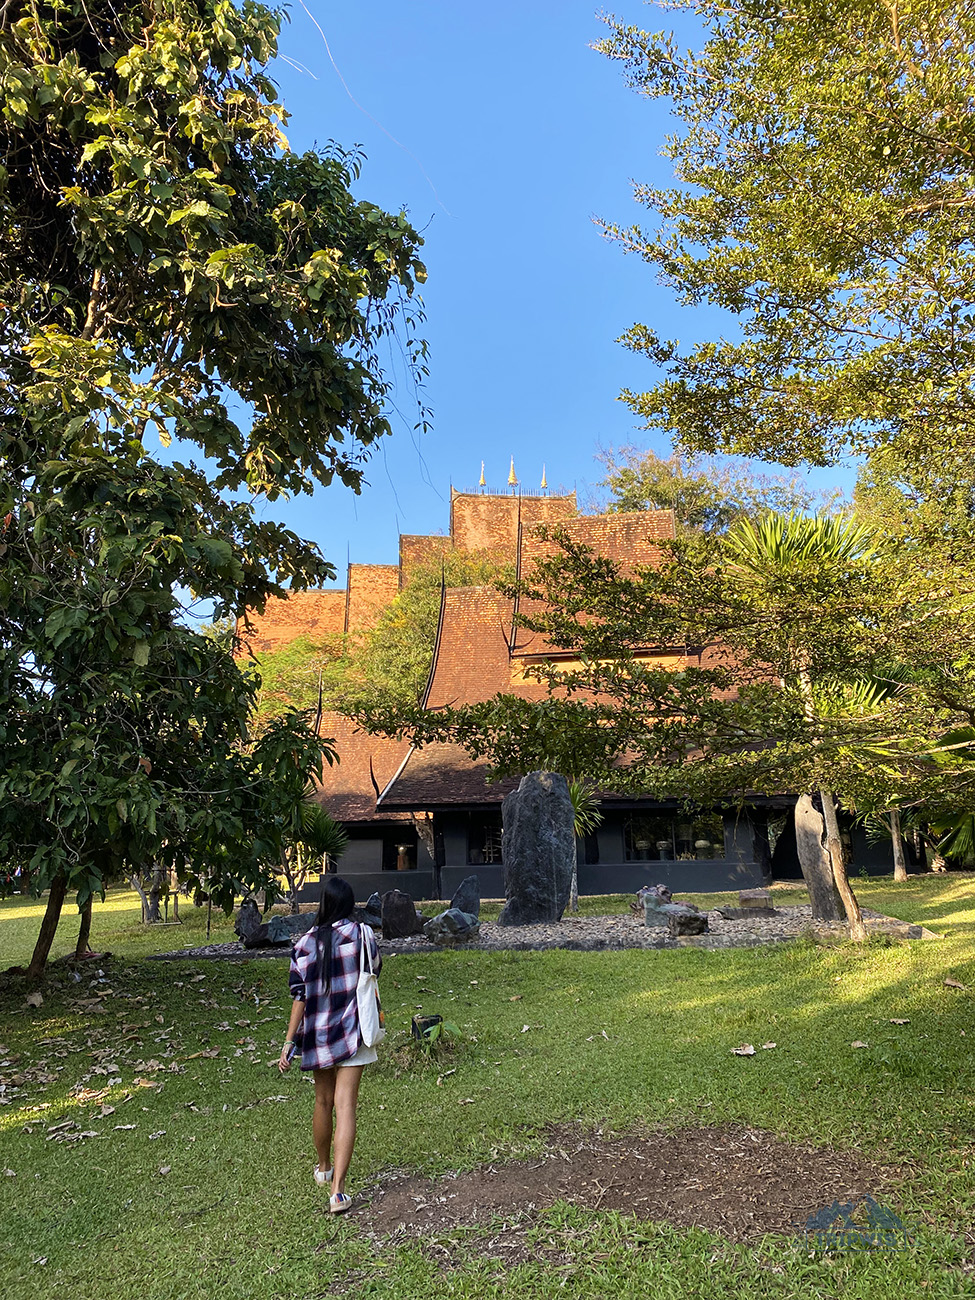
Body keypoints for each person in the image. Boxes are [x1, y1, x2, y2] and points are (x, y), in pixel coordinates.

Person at [278, 876, 381, 1213]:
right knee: (346, 1105)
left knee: (323, 1102)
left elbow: (299, 998)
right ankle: (338, 1192)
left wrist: (289, 1043)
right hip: (354, 1033)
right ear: (349, 905)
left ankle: (323, 1169)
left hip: (318, 1036)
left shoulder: (304, 943)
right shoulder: (363, 935)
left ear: (322, 904)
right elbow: (375, 970)